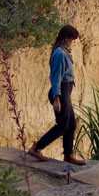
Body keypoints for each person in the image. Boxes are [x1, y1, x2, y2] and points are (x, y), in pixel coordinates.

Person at [28, 25, 86, 165]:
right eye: (71, 39)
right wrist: (56, 98)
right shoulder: (60, 54)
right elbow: (56, 77)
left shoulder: (63, 51)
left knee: (71, 124)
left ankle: (68, 155)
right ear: (65, 38)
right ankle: (36, 148)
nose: (72, 42)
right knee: (62, 125)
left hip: (65, 91)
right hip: (61, 91)